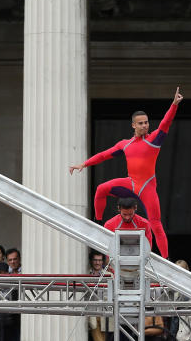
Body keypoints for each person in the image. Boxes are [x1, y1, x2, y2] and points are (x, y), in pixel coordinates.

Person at [69, 87, 184, 258]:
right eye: (141, 123)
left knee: (156, 224)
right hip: (130, 183)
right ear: (133, 125)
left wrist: (174, 104)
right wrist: (84, 164)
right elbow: (104, 155)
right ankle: (98, 224)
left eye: (146, 122)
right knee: (101, 189)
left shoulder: (154, 139)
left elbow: (165, 124)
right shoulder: (125, 144)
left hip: (147, 186)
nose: (145, 125)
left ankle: (166, 260)